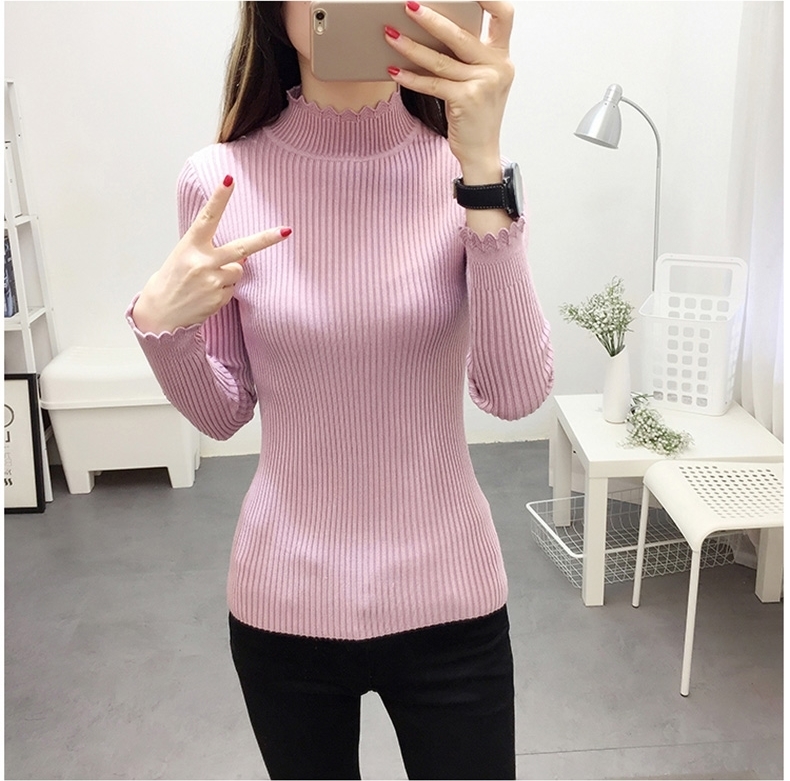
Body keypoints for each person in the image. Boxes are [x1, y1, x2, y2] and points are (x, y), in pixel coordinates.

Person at [127, 2, 553, 778]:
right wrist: (161, 326)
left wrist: (484, 169)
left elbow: (515, 391)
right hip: (283, 601)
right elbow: (223, 411)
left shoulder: (464, 171)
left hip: (451, 593)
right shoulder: (218, 178)